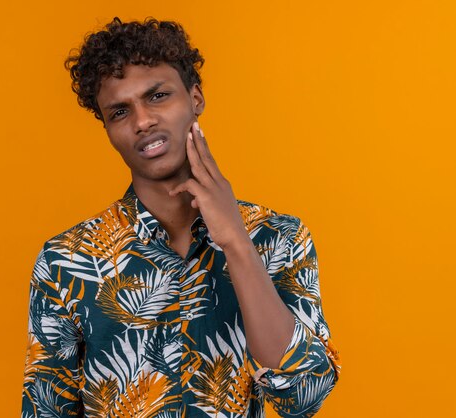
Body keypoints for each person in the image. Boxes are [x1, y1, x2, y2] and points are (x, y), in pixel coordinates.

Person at [21, 17, 341, 418]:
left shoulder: (278, 238)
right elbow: (46, 409)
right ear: (106, 128)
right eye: (120, 112)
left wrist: (237, 244)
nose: (142, 122)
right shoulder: (68, 260)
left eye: (157, 96)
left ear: (196, 98)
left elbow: (303, 398)